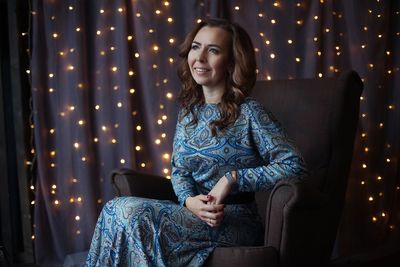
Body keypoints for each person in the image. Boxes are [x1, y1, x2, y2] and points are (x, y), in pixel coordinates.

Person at [85, 18, 308, 266]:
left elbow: (295, 166)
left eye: (213, 50)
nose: (200, 57)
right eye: (195, 47)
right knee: (114, 209)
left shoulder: (251, 113)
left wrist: (232, 179)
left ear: (232, 62)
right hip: (191, 214)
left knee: (130, 213)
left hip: (233, 220)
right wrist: (189, 201)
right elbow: (179, 171)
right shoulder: (188, 113)